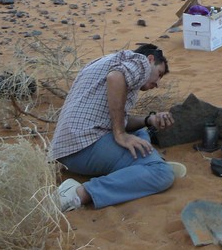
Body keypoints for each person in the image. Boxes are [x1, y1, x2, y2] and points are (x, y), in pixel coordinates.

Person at [50, 43, 176, 211]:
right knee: (162, 173)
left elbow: (117, 118)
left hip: (66, 148)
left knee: (140, 132)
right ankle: (79, 193)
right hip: (82, 148)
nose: (157, 83)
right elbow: (115, 78)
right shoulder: (140, 62)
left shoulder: (107, 61)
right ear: (150, 59)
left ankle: (142, 165)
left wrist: (149, 119)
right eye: (159, 74)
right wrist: (120, 134)